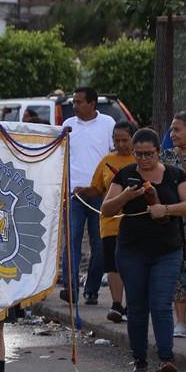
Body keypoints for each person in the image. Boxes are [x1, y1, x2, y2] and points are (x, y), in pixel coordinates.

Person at [101, 127, 186, 372]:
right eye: (139, 154)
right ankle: (140, 360)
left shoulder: (174, 175)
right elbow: (106, 210)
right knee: (137, 306)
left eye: (149, 154)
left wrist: (165, 209)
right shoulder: (125, 175)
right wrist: (125, 196)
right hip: (132, 251)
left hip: (167, 251)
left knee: (161, 304)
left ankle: (166, 359)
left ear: (158, 152)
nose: (143, 159)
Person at [62, 87, 116, 306]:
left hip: (100, 193)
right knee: (71, 241)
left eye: (79, 102)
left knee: (100, 244)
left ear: (92, 103)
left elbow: (114, 155)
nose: (74, 106)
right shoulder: (68, 126)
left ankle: (91, 289)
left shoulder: (108, 123)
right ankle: (71, 288)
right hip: (74, 194)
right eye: (73, 102)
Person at [84, 121, 136, 324]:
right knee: (112, 265)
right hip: (110, 222)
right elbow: (97, 188)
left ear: (133, 139)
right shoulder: (106, 160)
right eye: (116, 140)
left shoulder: (141, 160)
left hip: (133, 222)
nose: (120, 144)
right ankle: (116, 304)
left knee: (132, 264)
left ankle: (132, 305)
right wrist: (80, 191)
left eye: (125, 140)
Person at [163, 110, 186, 338]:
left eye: (177, 130)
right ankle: (179, 321)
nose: (172, 134)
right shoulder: (167, 157)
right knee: (179, 266)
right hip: (176, 221)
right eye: (171, 129)